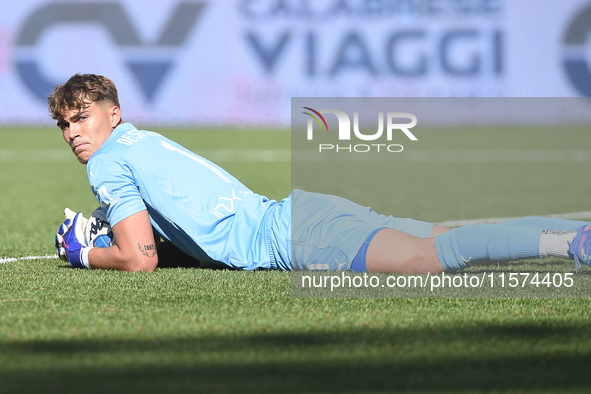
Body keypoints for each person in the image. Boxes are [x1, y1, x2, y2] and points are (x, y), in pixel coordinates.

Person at [50, 73, 591, 274]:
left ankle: (574, 244)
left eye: (82, 118)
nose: (74, 132)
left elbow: (139, 261)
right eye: (65, 125)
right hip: (304, 211)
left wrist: (84, 252)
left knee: (432, 257)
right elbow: (174, 241)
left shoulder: (107, 160)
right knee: (442, 239)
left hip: (293, 234)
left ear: (112, 113)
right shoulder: (140, 140)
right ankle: (575, 239)